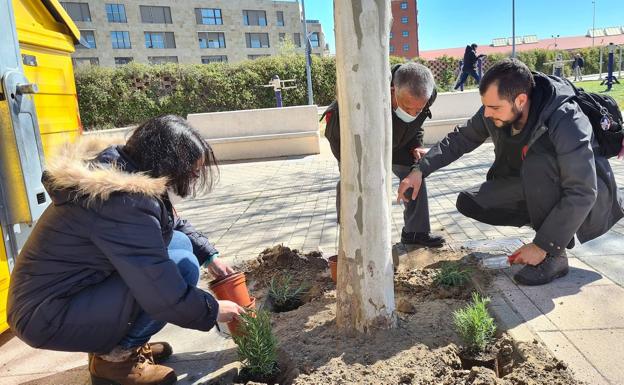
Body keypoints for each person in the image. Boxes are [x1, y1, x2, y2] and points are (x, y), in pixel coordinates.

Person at [7, 115, 245, 385]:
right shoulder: (121, 203)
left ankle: (120, 342)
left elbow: (171, 223)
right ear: (166, 163)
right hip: (46, 315)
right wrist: (211, 309)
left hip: (66, 295)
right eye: (190, 170)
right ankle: (115, 360)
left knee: (179, 243)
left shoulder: (127, 171)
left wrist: (210, 256)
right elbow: (160, 290)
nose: (193, 176)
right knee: (181, 267)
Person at [398, 59, 624, 286]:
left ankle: (555, 255)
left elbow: (583, 190)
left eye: (494, 108)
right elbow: (462, 138)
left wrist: (543, 245)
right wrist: (421, 169)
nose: (487, 114)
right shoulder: (495, 106)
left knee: (538, 163)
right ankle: (548, 227)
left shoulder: (566, 118)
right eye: (485, 105)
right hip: (534, 183)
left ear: (521, 100)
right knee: (471, 201)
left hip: (585, 197)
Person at [323, 62, 445, 247]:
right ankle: (351, 237)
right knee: (353, 181)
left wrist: (416, 146)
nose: (412, 113)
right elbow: (343, 146)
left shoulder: (427, 95)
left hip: (399, 140)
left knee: (416, 172)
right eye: (406, 106)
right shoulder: (362, 99)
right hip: (357, 140)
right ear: (391, 91)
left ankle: (415, 232)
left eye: (418, 109)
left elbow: (416, 123)